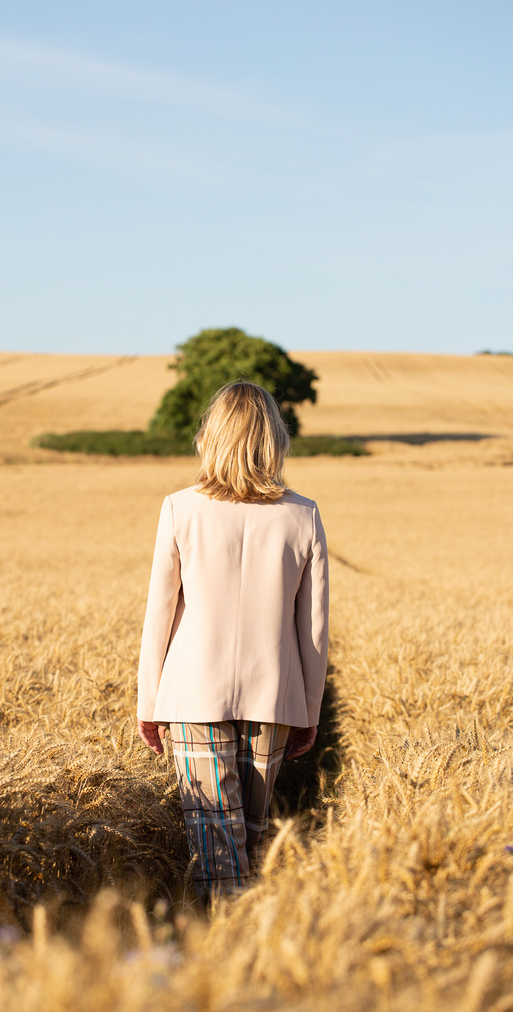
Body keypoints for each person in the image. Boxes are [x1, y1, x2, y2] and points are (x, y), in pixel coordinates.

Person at [136, 380, 329, 903]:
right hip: (273, 698)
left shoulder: (179, 508)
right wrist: (309, 711)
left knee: (216, 840)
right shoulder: (302, 514)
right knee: (253, 833)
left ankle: (219, 954)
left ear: (211, 436)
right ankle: (245, 950)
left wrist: (149, 704)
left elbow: (160, 613)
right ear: (274, 440)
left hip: (193, 693)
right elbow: (312, 629)